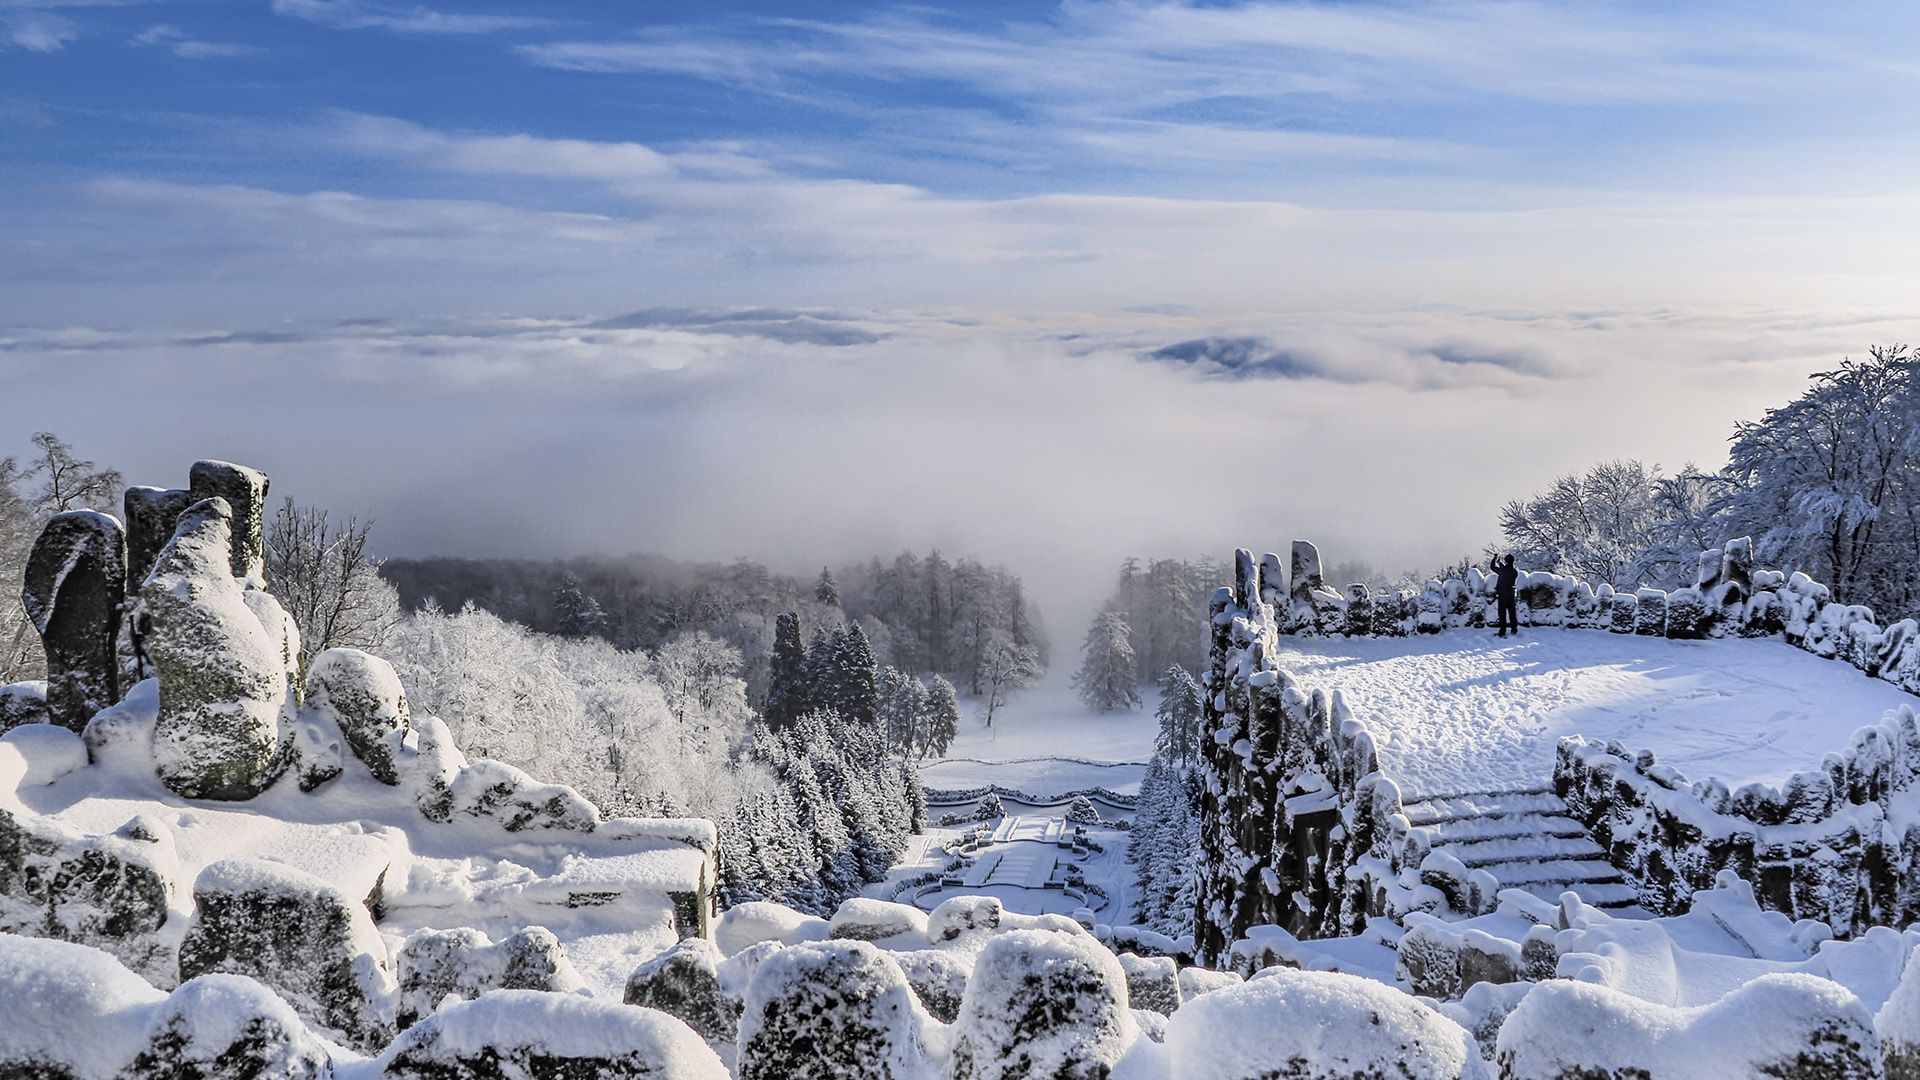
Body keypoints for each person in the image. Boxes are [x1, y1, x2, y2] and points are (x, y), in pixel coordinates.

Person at [1493, 554, 1520, 638]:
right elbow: (1506, 570)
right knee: (1512, 613)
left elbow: (1493, 568)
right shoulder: (1515, 572)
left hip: (1502, 594)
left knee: (1502, 614)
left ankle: (1502, 631)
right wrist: (1500, 563)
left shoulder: (1503, 570)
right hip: (1511, 594)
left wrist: (1494, 559)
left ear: (1506, 561)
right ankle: (1514, 629)